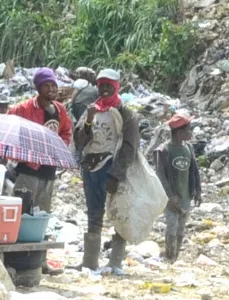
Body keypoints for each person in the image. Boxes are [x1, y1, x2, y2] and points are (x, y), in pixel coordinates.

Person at [72, 69, 140, 273]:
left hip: (112, 169)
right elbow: (80, 141)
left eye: (108, 85)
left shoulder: (125, 113)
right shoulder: (90, 110)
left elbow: (130, 147)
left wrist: (116, 174)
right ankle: (90, 262)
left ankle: (115, 262)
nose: (104, 89)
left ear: (116, 87)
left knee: (119, 213)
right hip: (91, 168)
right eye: (101, 85)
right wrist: (90, 120)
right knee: (94, 213)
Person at [8, 69, 72, 212]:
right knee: (22, 211)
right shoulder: (24, 108)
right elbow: (9, 129)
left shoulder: (59, 109)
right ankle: (18, 234)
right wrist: (19, 153)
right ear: (38, 88)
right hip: (28, 168)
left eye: (53, 85)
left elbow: (66, 132)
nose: (51, 89)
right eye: (46, 85)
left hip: (49, 168)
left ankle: (36, 234)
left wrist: (58, 148)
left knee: (41, 211)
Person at [153, 115, 202, 263]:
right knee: (172, 226)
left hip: (185, 194)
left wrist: (197, 191)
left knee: (181, 228)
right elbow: (161, 176)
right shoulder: (163, 151)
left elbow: (194, 171)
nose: (190, 133)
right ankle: (169, 256)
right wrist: (170, 196)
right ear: (178, 132)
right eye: (188, 130)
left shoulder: (188, 148)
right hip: (171, 197)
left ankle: (175, 257)